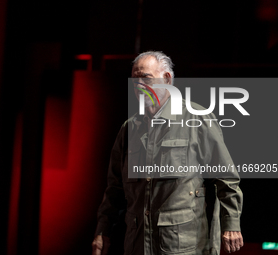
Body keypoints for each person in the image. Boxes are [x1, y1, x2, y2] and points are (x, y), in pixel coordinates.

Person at [92, 51, 243, 255]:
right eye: (134, 79)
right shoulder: (129, 130)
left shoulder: (197, 120)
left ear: (167, 79)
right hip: (137, 246)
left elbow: (226, 176)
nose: (138, 85)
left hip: (182, 246)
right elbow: (114, 189)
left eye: (146, 78)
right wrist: (103, 231)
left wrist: (231, 224)